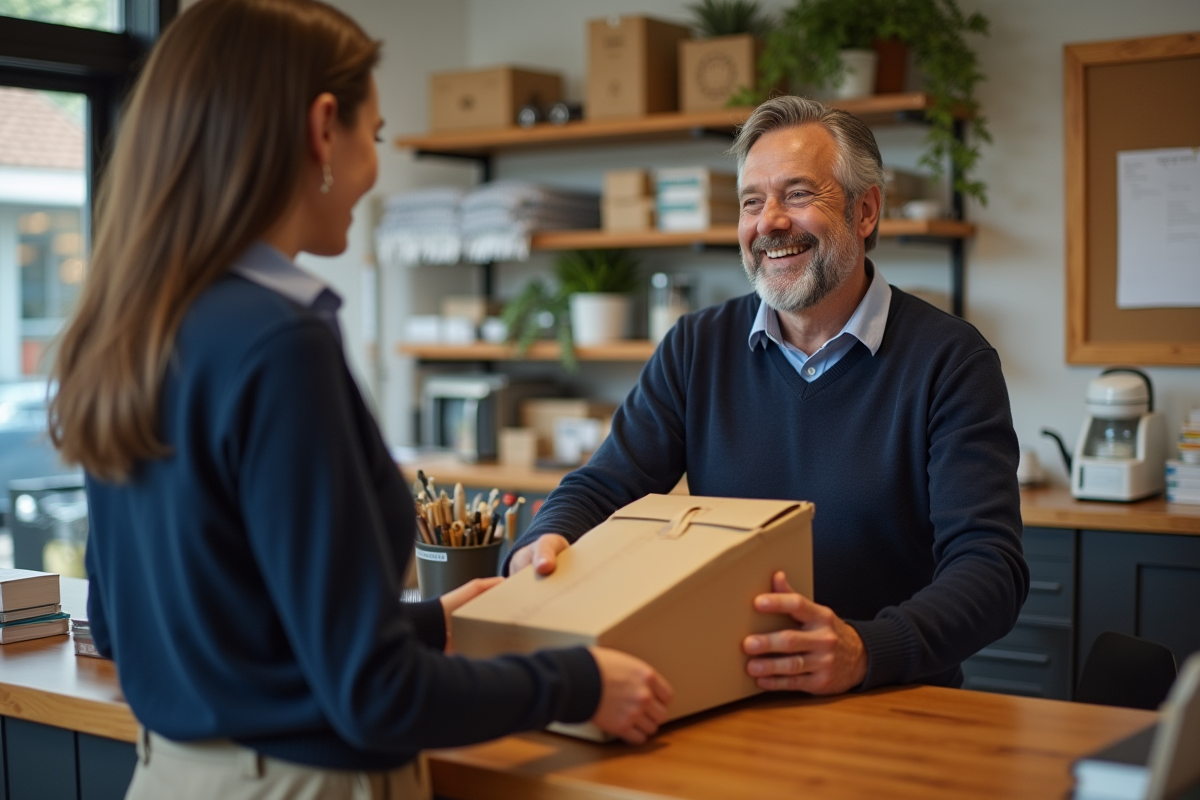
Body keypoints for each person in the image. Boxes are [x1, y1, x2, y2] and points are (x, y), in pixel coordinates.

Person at [48, 0, 671, 797]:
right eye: (373, 139)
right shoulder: (280, 344)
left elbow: (142, 625)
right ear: (321, 128)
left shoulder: (134, 326)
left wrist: (430, 623)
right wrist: (579, 681)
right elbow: (375, 697)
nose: (373, 169)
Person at [508, 95, 1029, 697]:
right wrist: (542, 543)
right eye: (752, 201)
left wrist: (866, 650)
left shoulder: (951, 361)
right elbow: (603, 486)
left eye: (799, 195)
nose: (770, 222)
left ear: (865, 211)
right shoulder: (696, 346)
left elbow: (990, 570)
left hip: (890, 698)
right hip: (727, 693)